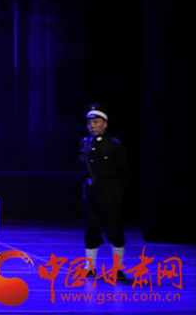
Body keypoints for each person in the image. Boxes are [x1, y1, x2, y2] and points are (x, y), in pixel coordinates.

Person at [78, 104, 127, 280]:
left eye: (97, 122)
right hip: (91, 193)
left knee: (114, 229)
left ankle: (117, 269)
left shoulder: (114, 145)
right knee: (91, 229)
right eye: (90, 123)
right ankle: (89, 267)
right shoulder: (85, 143)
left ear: (105, 124)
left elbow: (123, 170)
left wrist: (118, 193)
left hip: (110, 193)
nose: (93, 126)